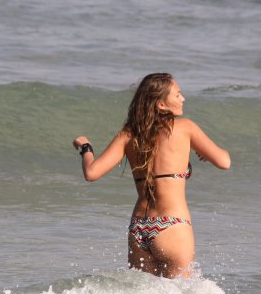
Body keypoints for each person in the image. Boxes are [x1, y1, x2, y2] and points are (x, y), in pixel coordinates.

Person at [72, 73, 231, 278]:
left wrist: (86, 147)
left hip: (139, 228)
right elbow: (224, 162)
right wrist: (207, 154)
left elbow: (91, 173)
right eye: (177, 95)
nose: (183, 99)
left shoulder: (128, 134)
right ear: (161, 104)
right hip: (171, 226)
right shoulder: (185, 128)